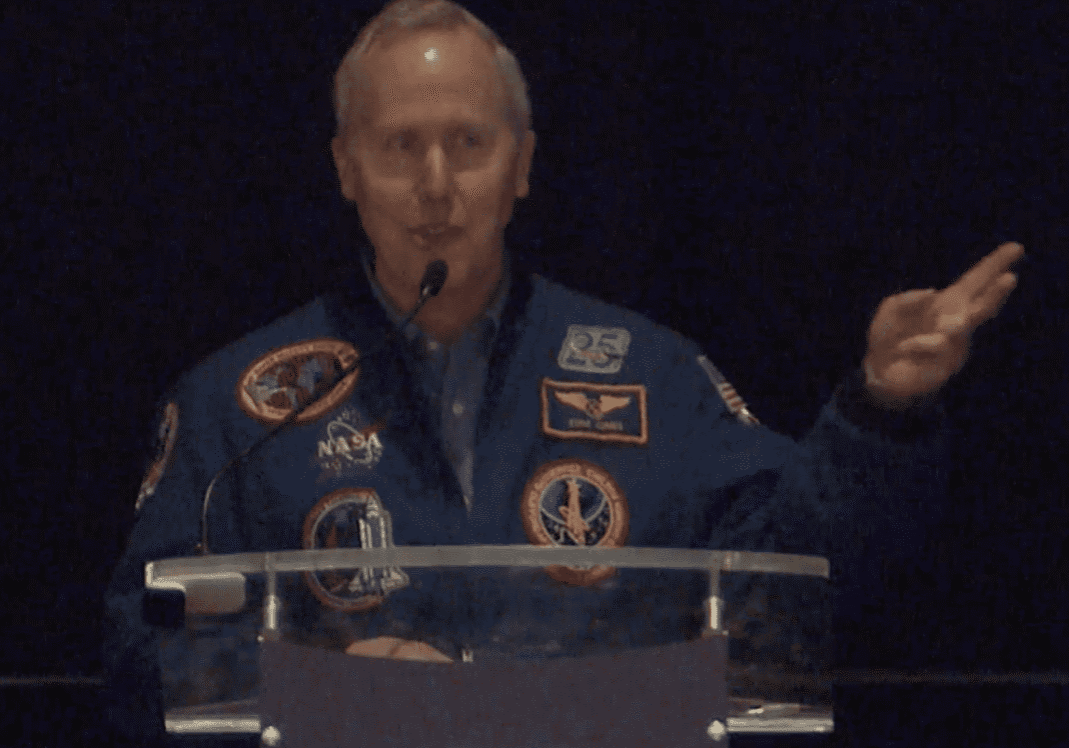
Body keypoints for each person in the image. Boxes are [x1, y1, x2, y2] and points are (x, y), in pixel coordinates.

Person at [102, 0, 1024, 743]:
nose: (435, 183)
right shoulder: (240, 406)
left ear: (522, 165)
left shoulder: (652, 375)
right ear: (346, 168)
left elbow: (791, 584)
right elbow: (142, 650)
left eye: (469, 144)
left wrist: (879, 410)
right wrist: (322, 694)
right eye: (400, 147)